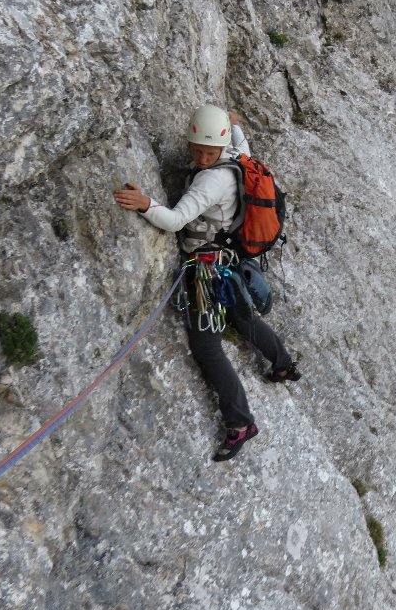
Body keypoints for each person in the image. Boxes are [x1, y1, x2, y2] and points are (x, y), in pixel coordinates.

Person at [113, 104, 299, 462]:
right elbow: (244, 148)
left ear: (219, 148)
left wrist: (145, 204)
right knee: (242, 318)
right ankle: (283, 363)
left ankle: (240, 422)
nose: (201, 159)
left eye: (209, 152)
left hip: (207, 268)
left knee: (206, 345)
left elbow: (175, 220)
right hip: (228, 259)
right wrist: (234, 126)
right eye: (197, 150)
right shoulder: (234, 158)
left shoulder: (211, 180)